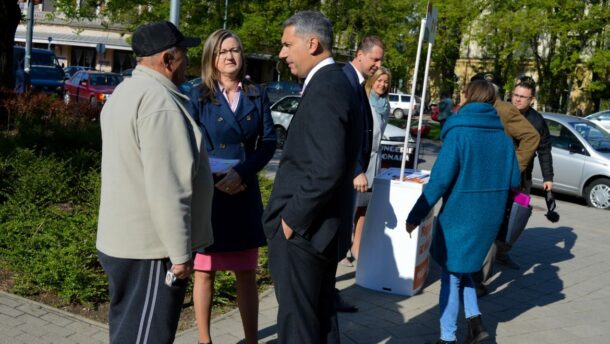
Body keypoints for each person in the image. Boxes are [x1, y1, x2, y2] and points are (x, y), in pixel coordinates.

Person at [96, 21, 214, 344]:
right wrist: (179, 255)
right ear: (167, 60)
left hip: (124, 242)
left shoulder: (125, 92)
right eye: (184, 55)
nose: (188, 62)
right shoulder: (159, 103)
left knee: (128, 333)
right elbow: (168, 187)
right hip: (149, 251)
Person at [262, 11, 363, 344]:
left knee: (299, 327)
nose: (282, 53)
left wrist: (291, 221)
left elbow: (326, 167)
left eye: (287, 45)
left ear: (312, 43)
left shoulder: (327, 86)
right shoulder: (335, 82)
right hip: (316, 230)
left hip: (305, 233)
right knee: (318, 320)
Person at [406, 80, 521, 344]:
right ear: (492, 102)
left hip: (460, 217)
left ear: (467, 97)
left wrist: (415, 215)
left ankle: (447, 338)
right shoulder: (503, 137)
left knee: (451, 275)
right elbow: (514, 180)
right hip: (488, 217)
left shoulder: (458, 134)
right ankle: (475, 322)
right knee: (463, 268)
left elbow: (439, 181)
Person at [188, 29, 277, 344]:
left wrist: (242, 173)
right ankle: (204, 339)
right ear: (212, 57)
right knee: (204, 271)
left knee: (246, 272)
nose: (230, 56)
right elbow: (190, 143)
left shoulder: (257, 94)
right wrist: (214, 179)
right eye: (223, 51)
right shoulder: (198, 95)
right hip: (210, 193)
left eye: (236, 50)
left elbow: (268, 142)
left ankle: (251, 340)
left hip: (243, 190)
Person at [472, 74, 540, 295]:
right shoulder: (475, 107)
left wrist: (514, 168)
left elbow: (532, 136)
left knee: (491, 228)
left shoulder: (504, 109)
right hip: (476, 178)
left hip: (497, 181)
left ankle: (479, 280)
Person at [335, 35, 385, 313]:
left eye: (380, 60)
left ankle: (328, 293)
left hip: (357, 171)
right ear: (359, 54)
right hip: (346, 174)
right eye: (374, 59)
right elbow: (343, 131)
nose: (378, 65)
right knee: (336, 236)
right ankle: (325, 295)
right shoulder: (345, 80)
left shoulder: (357, 82)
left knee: (340, 237)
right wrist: (356, 170)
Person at [351, 66, 392, 260]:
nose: (382, 85)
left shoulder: (385, 105)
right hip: (360, 161)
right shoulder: (364, 100)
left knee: (364, 207)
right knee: (351, 205)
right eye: (379, 80)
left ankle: (357, 245)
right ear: (371, 80)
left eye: (386, 82)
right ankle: (342, 249)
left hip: (374, 161)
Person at [511, 78, 554, 194]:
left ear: (531, 100)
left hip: (523, 177)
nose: (517, 99)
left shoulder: (537, 122)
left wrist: (548, 178)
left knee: (519, 209)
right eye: (516, 95)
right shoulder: (501, 113)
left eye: (522, 97)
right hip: (499, 172)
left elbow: (544, 150)